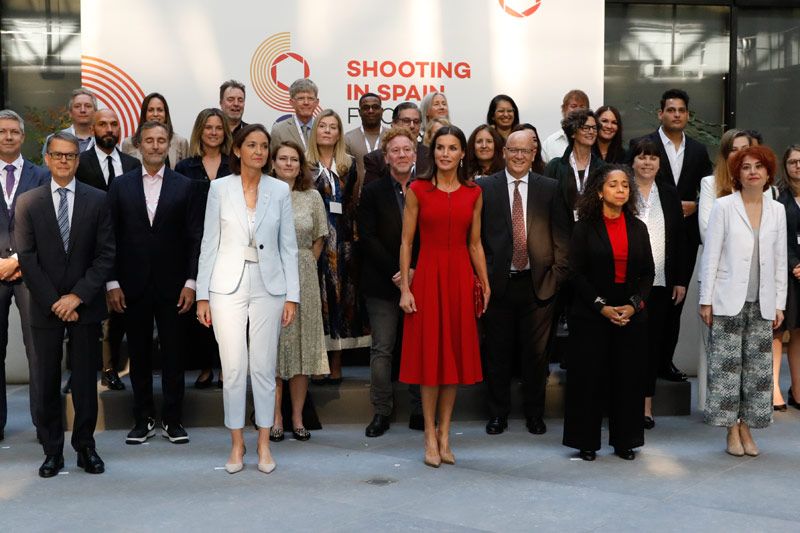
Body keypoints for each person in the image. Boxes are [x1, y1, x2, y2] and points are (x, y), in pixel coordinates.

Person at [196, 124, 299, 474]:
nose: (258, 151)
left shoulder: (280, 190)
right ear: (237, 150)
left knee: (264, 368)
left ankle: (264, 444)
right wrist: (202, 296)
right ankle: (237, 444)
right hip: (226, 286)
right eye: (251, 145)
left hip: (270, 286)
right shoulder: (219, 188)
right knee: (235, 367)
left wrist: (292, 297)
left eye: (263, 146)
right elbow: (209, 242)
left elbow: (288, 247)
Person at [16, 131, 115, 477]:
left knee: (86, 381)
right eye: (57, 155)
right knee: (45, 379)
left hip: (84, 304)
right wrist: (54, 300)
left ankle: (86, 447)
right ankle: (52, 450)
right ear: (46, 158)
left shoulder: (98, 200)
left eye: (70, 156)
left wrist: (77, 296)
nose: (63, 161)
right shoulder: (28, 202)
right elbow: (26, 258)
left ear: (77, 160)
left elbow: (105, 256)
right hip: (45, 306)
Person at [107, 121, 202, 445]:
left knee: (175, 355)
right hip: (131, 285)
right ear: (139, 144)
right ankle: (142, 418)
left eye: (162, 140)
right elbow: (110, 239)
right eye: (150, 140)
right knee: (139, 354)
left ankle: (173, 420)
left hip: (174, 285)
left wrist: (191, 282)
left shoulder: (184, 185)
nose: (156, 146)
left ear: (168, 145)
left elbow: (194, 238)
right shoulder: (120, 186)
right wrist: (112, 283)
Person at [399, 125, 489, 468]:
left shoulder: (474, 192)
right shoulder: (418, 190)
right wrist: (406, 287)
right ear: (432, 152)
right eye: (440, 148)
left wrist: (484, 281)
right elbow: (407, 242)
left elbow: (475, 243)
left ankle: (446, 435)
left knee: (453, 360)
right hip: (428, 279)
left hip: (459, 280)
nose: (446, 154)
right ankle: (428, 438)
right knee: (429, 362)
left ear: (462, 153)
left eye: (452, 148)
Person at [478, 129, 569, 436]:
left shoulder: (550, 188)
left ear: (533, 155)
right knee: (497, 355)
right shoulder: (485, 188)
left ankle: (535, 415)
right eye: (513, 151)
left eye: (524, 151)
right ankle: (497, 415)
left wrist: (555, 278)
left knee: (536, 356)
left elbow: (563, 238)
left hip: (539, 285)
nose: (518, 156)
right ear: (503, 153)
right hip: (497, 285)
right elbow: (476, 238)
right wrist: (484, 278)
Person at [563, 165, 654, 461]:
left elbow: (648, 273)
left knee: (628, 378)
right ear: (600, 191)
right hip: (592, 312)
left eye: (625, 185)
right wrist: (601, 306)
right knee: (588, 379)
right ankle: (585, 441)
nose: (620, 190)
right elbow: (575, 273)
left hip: (629, 312)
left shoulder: (638, 228)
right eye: (613, 185)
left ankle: (625, 441)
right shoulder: (584, 227)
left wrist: (633, 304)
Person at [699, 145, 786, 457]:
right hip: (726, 299)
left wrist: (780, 303)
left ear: (768, 174)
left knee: (756, 371)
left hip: (762, 302)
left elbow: (779, 260)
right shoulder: (724, 206)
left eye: (759, 167)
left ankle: (747, 426)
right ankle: (731, 428)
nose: (753, 172)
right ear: (737, 174)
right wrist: (706, 299)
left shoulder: (777, 210)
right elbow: (711, 254)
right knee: (727, 369)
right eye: (746, 167)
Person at [629, 88, 712, 383]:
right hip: (647, 233)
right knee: (640, 300)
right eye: (671, 109)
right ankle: (638, 364)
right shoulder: (644, 147)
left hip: (684, 237)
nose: (676, 114)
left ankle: (665, 361)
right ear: (660, 113)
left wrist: (697, 205)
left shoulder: (700, 151)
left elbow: (712, 192)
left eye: (681, 110)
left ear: (687, 115)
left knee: (674, 300)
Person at [359, 127, 423, 437]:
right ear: (386, 157)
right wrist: (397, 272)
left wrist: (413, 271)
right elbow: (367, 238)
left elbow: (431, 235)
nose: (401, 155)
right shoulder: (372, 191)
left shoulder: (426, 189)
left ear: (414, 155)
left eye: (406, 150)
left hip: (419, 280)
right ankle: (381, 412)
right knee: (382, 350)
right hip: (384, 283)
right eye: (395, 151)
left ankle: (420, 409)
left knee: (418, 347)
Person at [74, 108, 141, 391]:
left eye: (114, 124)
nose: (109, 129)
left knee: (120, 314)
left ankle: (113, 367)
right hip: (89, 251)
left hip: (127, 251)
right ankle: (98, 370)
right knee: (95, 317)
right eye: (103, 124)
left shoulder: (132, 164)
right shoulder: (80, 163)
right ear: (92, 130)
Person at [269, 140, 328, 442]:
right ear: (274, 162)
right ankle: (275, 417)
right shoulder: (264, 194)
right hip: (271, 277)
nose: (289, 164)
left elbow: (320, 237)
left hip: (304, 275)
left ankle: (297, 417)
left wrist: (303, 265)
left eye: (294, 159)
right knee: (277, 349)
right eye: (283, 158)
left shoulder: (313, 196)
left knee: (303, 348)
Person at [308, 109, 371, 384]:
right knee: (317, 301)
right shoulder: (306, 165)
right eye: (323, 126)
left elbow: (354, 203)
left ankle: (336, 362)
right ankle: (317, 362)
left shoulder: (349, 163)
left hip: (344, 241)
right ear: (315, 130)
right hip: (314, 240)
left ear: (339, 133)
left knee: (342, 300)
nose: (328, 131)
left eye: (334, 127)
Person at [630, 139, 687, 429]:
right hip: (625, 284)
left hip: (661, 282)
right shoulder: (621, 190)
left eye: (652, 158)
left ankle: (646, 405)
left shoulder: (668, 193)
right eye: (641, 157)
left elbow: (679, 239)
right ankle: (621, 403)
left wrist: (680, 279)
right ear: (633, 162)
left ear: (659, 163)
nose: (647, 162)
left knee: (651, 346)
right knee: (626, 346)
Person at [0, 109, 49, 442]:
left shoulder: (41, 176)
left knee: (39, 350)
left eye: (14, 131)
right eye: (2, 131)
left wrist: (17, 259)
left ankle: (43, 423)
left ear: (23, 136)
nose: (7, 136)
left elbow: (44, 224)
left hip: (30, 271)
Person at [175, 108, 233, 390]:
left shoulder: (234, 164)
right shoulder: (185, 167)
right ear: (200, 130)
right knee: (201, 306)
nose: (213, 132)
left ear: (225, 132)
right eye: (208, 127)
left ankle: (224, 365)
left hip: (230, 244)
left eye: (218, 128)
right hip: (193, 243)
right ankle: (206, 366)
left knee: (226, 308)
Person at [544, 109, 605, 227]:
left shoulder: (602, 168)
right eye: (586, 128)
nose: (591, 131)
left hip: (594, 233)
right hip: (562, 235)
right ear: (572, 133)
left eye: (594, 128)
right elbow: (545, 204)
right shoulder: (555, 167)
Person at [698, 129, 753, 243]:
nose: (740, 154)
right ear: (725, 155)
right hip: (722, 257)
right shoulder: (710, 184)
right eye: (734, 150)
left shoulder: (762, 186)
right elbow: (706, 232)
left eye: (745, 149)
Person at [777, 144, 800, 411]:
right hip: (786, 273)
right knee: (779, 330)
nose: (798, 166)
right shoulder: (778, 199)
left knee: (799, 333)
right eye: (793, 161)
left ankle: (797, 389)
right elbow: (778, 237)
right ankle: (774, 392)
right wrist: (795, 264)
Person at [363, 102, 431, 185]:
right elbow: (371, 194)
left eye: (416, 122)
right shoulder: (376, 159)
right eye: (406, 121)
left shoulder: (430, 155)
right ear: (394, 124)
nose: (412, 126)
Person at [121, 92, 189, 169]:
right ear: (144, 114)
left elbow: (185, 174)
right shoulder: (128, 143)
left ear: (166, 114)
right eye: (151, 110)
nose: (155, 114)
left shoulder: (181, 142)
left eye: (160, 110)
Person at [344, 93, 387, 185]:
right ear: (359, 112)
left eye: (375, 107)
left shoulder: (392, 137)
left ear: (382, 111)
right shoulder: (348, 138)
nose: (371, 111)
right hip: (357, 196)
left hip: (388, 195)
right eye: (366, 107)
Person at [270, 78, 319, 154]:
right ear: (292, 102)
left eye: (310, 98)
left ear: (316, 102)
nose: (306, 102)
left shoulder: (325, 129)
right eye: (301, 98)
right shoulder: (279, 130)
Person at [42, 88, 97, 156]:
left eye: (88, 106)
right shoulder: (53, 140)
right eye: (77, 106)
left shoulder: (103, 139)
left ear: (95, 112)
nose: (83, 110)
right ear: (70, 113)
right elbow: (47, 166)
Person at [541, 89, 590, 163]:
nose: (578, 110)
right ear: (564, 109)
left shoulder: (593, 140)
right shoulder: (550, 143)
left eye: (582, 107)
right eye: (573, 106)